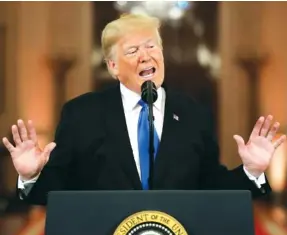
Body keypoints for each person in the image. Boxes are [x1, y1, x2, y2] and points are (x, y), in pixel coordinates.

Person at [1, 14, 286, 206]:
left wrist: (252, 171)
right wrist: (30, 176)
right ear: (113, 67)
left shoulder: (191, 113)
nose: (146, 55)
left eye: (152, 47)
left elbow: (211, 185)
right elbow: (59, 189)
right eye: (132, 50)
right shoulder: (82, 114)